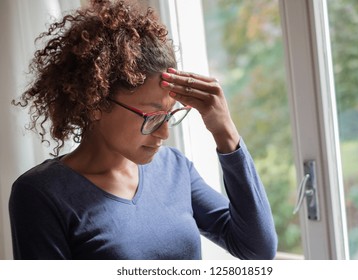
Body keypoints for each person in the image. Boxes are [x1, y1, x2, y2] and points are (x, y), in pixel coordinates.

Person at [9, 0, 277, 260]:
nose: (164, 134)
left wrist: (225, 131)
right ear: (95, 103)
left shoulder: (175, 169)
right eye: (151, 116)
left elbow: (257, 248)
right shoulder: (41, 194)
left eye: (169, 115)